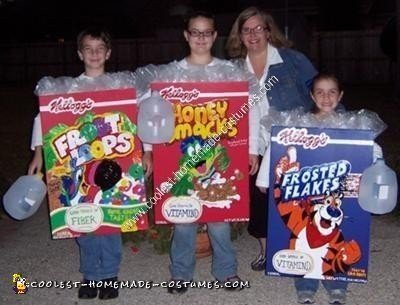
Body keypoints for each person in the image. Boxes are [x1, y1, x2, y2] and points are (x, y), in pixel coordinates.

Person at [28, 28, 153, 300]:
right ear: (79, 53)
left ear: (108, 53)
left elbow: (144, 116)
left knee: (109, 223)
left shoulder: (121, 86)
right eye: (88, 48)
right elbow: (43, 119)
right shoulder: (67, 89)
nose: (94, 53)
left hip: (115, 167)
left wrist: (148, 151)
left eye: (100, 48)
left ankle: (108, 275)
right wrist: (38, 155)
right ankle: (89, 275)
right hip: (78, 169)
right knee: (82, 223)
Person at [139, 11, 248, 294]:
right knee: (184, 221)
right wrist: (148, 151)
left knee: (220, 222)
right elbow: (149, 114)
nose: (200, 38)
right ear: (186, 35)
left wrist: (253, 149)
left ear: (214, 36)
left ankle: (226, 272)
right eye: (195, 32)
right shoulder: (168, 75)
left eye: (206, 32)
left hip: (218, 164)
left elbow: (252, 110)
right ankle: (181, 275)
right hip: (177, 161)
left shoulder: (230, 73)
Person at [257, 73, 383, 304]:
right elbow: (278, 146)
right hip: (307, 203)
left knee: (337, 243)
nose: (326, 97)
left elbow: (372, 151)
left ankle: (337, 284)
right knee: (300, 243)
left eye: (332, 91)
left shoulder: (353, 126)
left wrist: (377, 167)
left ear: (341, 95)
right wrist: (265, 180)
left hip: (337, 201)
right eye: (320, 92)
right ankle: (306, 284)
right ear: (312, 95)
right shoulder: (299, 125)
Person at [226, 6, 317, 271]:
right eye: (246, 30)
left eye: (258, 28)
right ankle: (268, 252)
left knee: (295, 199)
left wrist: (344, 129)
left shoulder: (292, 60)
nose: (253, 34)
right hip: (253, 144)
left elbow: (322, 93)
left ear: (268, 31)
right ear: (239, 35)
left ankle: (300, 250)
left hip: (290, 141)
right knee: (258, 199)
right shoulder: (233, 69)